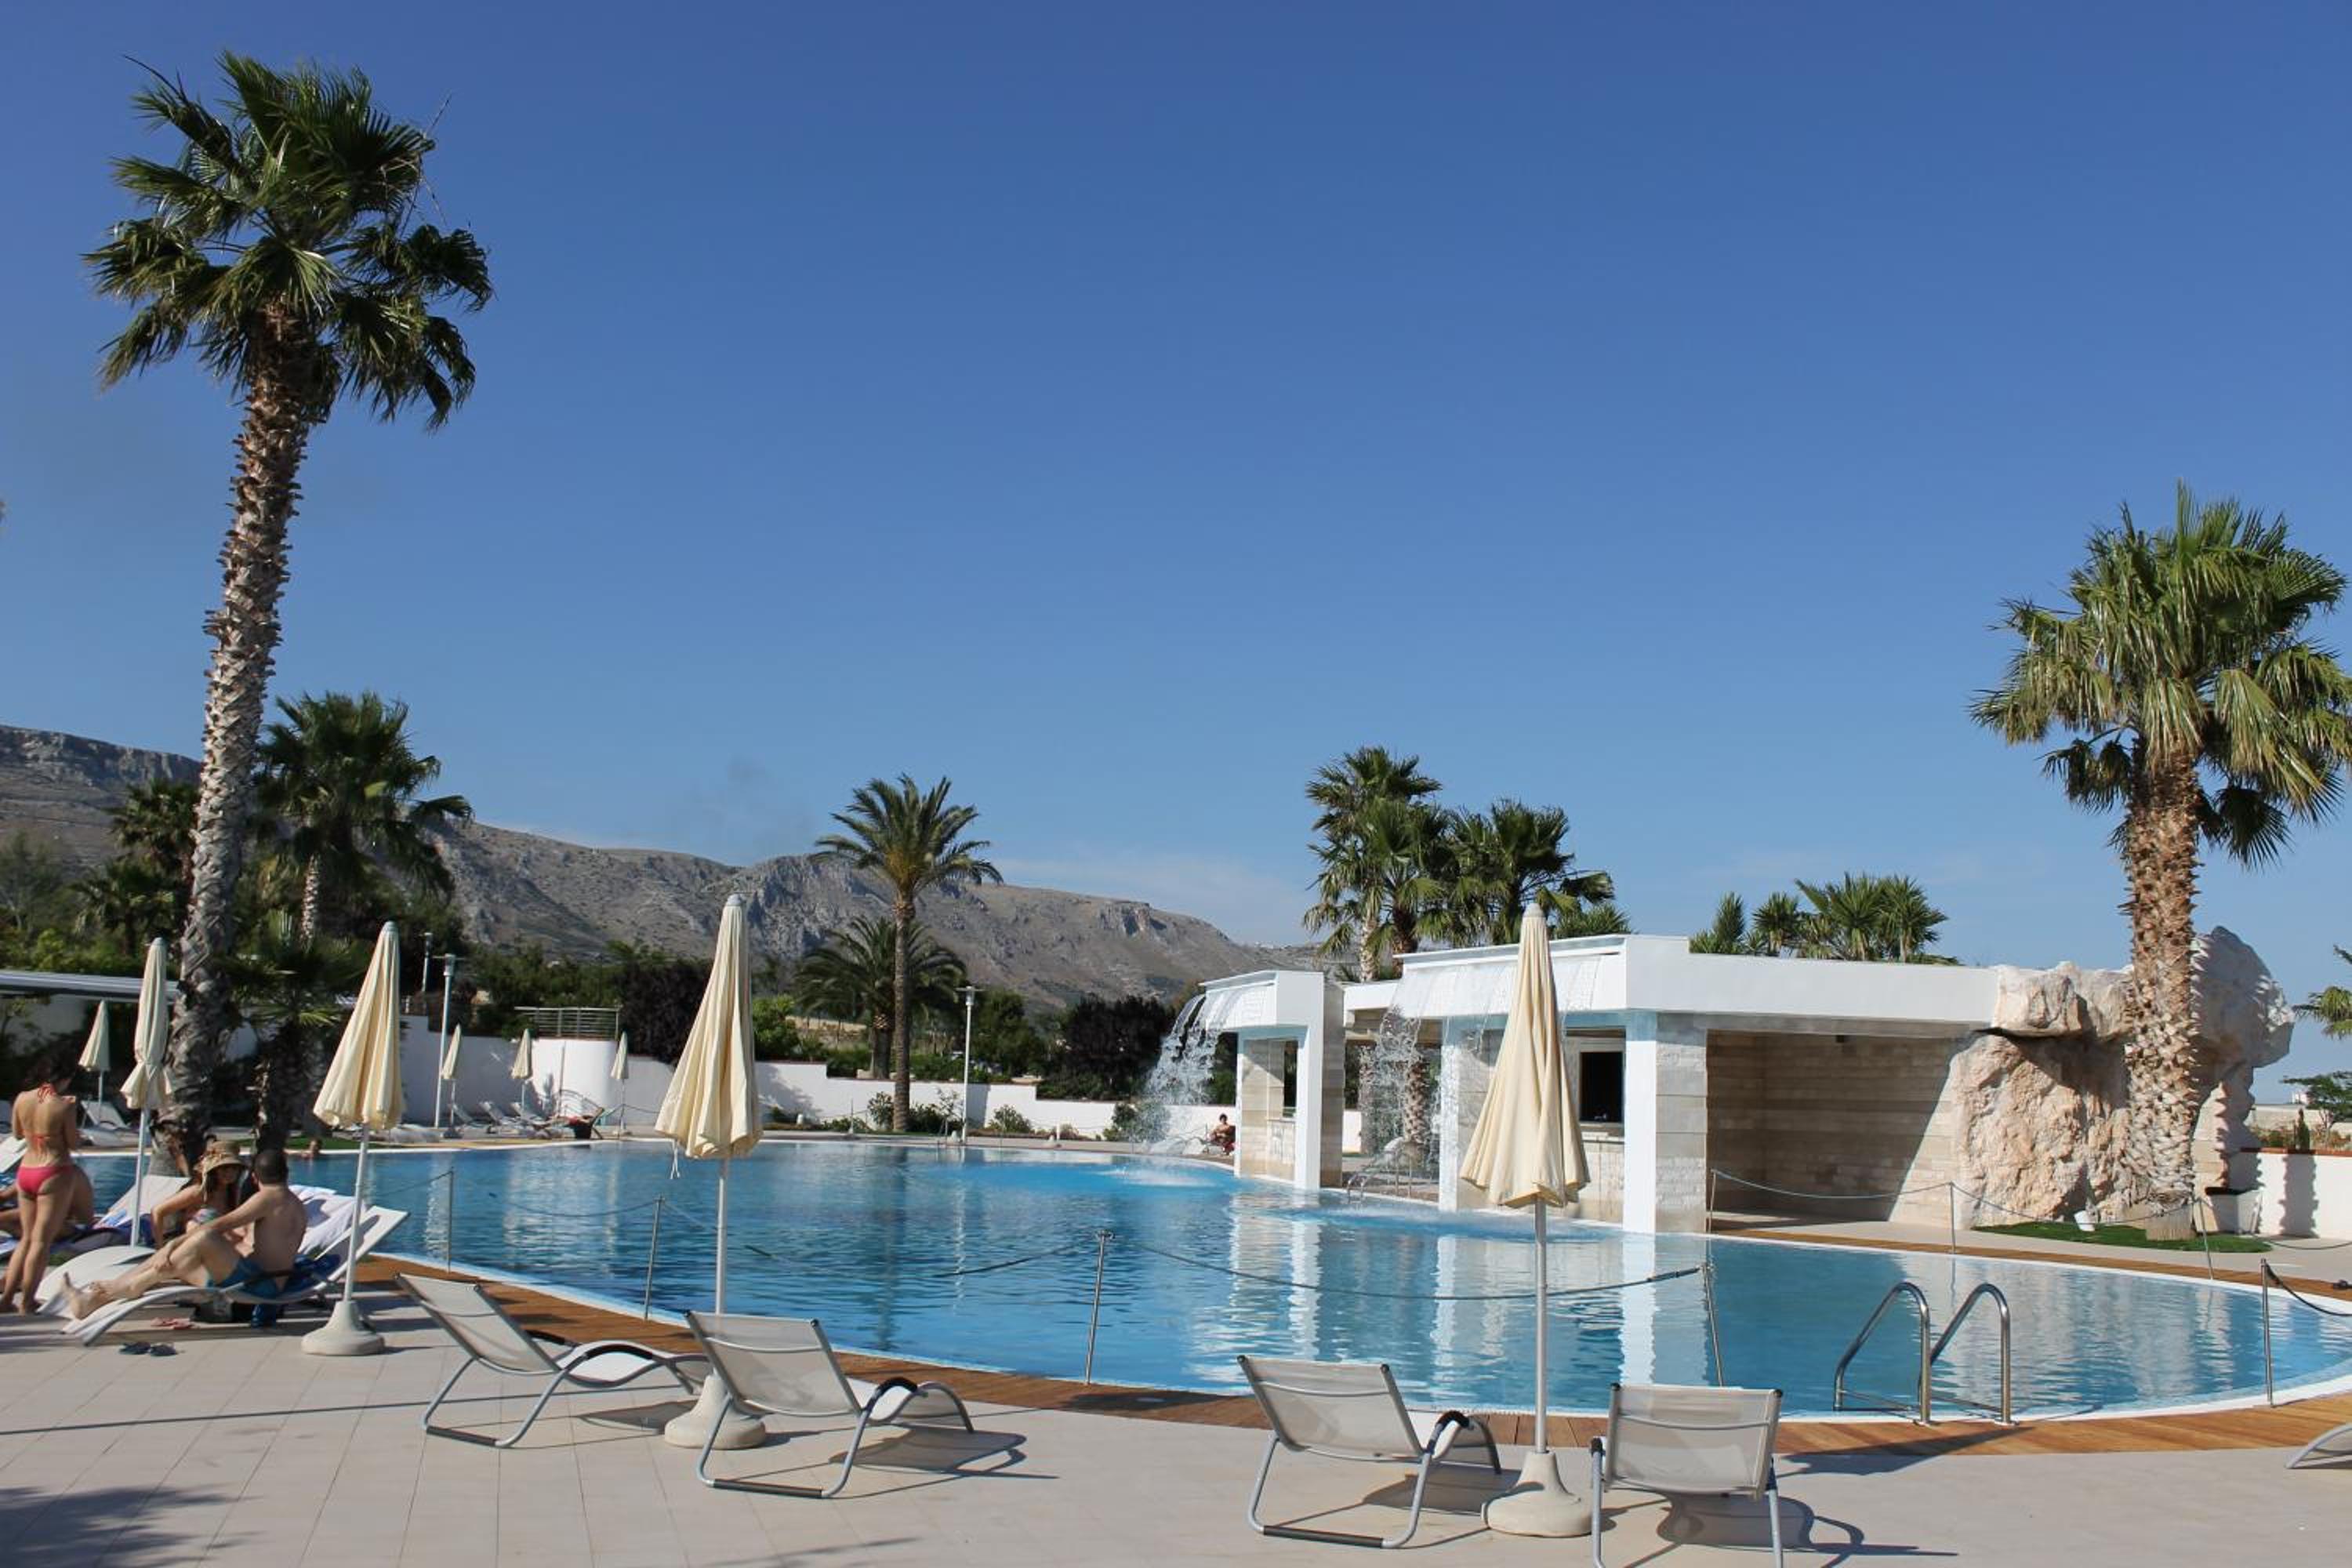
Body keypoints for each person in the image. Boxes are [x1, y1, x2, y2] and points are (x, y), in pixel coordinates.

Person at [66, 1145, 308, 1322]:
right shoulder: (295, 1204)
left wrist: (170, 1245)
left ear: (254, 1177)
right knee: (183, 1257)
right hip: (268, 1281)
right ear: (286, 1173)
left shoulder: (267, 1198)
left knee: (204, 1238)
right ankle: (98, 1298)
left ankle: (127, 1286)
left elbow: (217, 1226)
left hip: (260, 1285)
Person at [0, 1054, 94, 1313]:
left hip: (26, 1170)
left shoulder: (22, 1099)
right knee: (41, 1242)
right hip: (54, 1170)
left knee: (26, 1240)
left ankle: (6, 1300)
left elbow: (18, 1133)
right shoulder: (64, 1104)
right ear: (64, 1078)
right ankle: (27, 1302)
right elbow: (73, 1143)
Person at [149, 1142, 253, 1246]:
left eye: (234, 1168)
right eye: (224, 1168)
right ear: (214, 1170)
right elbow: (157, 1211)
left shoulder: (232, 1193)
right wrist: (160, 1247)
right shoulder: (199, 1191)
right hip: (193, 1249)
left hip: (221, 1249)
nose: (230, 1173)